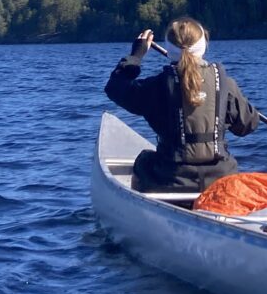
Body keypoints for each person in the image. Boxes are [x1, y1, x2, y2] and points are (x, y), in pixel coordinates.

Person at [105, 16, 259, 193]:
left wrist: (136, 55)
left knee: (143, 160)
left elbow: (115, 88)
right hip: (220, 180)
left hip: (170, 178)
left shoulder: (156, 86)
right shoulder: (225, 85)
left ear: (170, 50)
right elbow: (247, 126)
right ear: (203, 45)